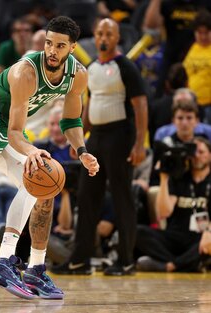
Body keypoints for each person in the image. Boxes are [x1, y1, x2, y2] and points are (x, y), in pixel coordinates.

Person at [0, 16, 99, 299]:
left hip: (10, 127)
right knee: (32, 177)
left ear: (72, 48)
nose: (52, 50)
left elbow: (71, 122)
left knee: (45, 190)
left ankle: (36, 268)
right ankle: (3, 261)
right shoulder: (26, 72)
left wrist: (82, 151)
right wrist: (32, 151)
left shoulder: (78, 75)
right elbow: (14, 133)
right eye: (49, 43)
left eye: (60, 46)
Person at [53, 18, 147, 276]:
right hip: (96, 138)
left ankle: (126, 260)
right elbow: (89, 105)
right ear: (94, 38)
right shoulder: (91, 68)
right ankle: (80, 259)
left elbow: (140, 105)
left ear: (117, 38)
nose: (103, 38)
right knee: (86, 197)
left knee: (122, 198)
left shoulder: (126, 67)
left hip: (121, 136)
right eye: (99, 33)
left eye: (109, 34)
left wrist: (139, 144)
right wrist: (79, 140)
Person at [136, 137, 211, 272]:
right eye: (193, 152)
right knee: (137, 232)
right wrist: (164, 179)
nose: (197, 156)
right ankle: (186, 264)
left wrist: (209, 231)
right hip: (175, 236)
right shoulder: (179, 178)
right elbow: (163, 213)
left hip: (201, 237)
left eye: (201, 152)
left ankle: (169, 265)